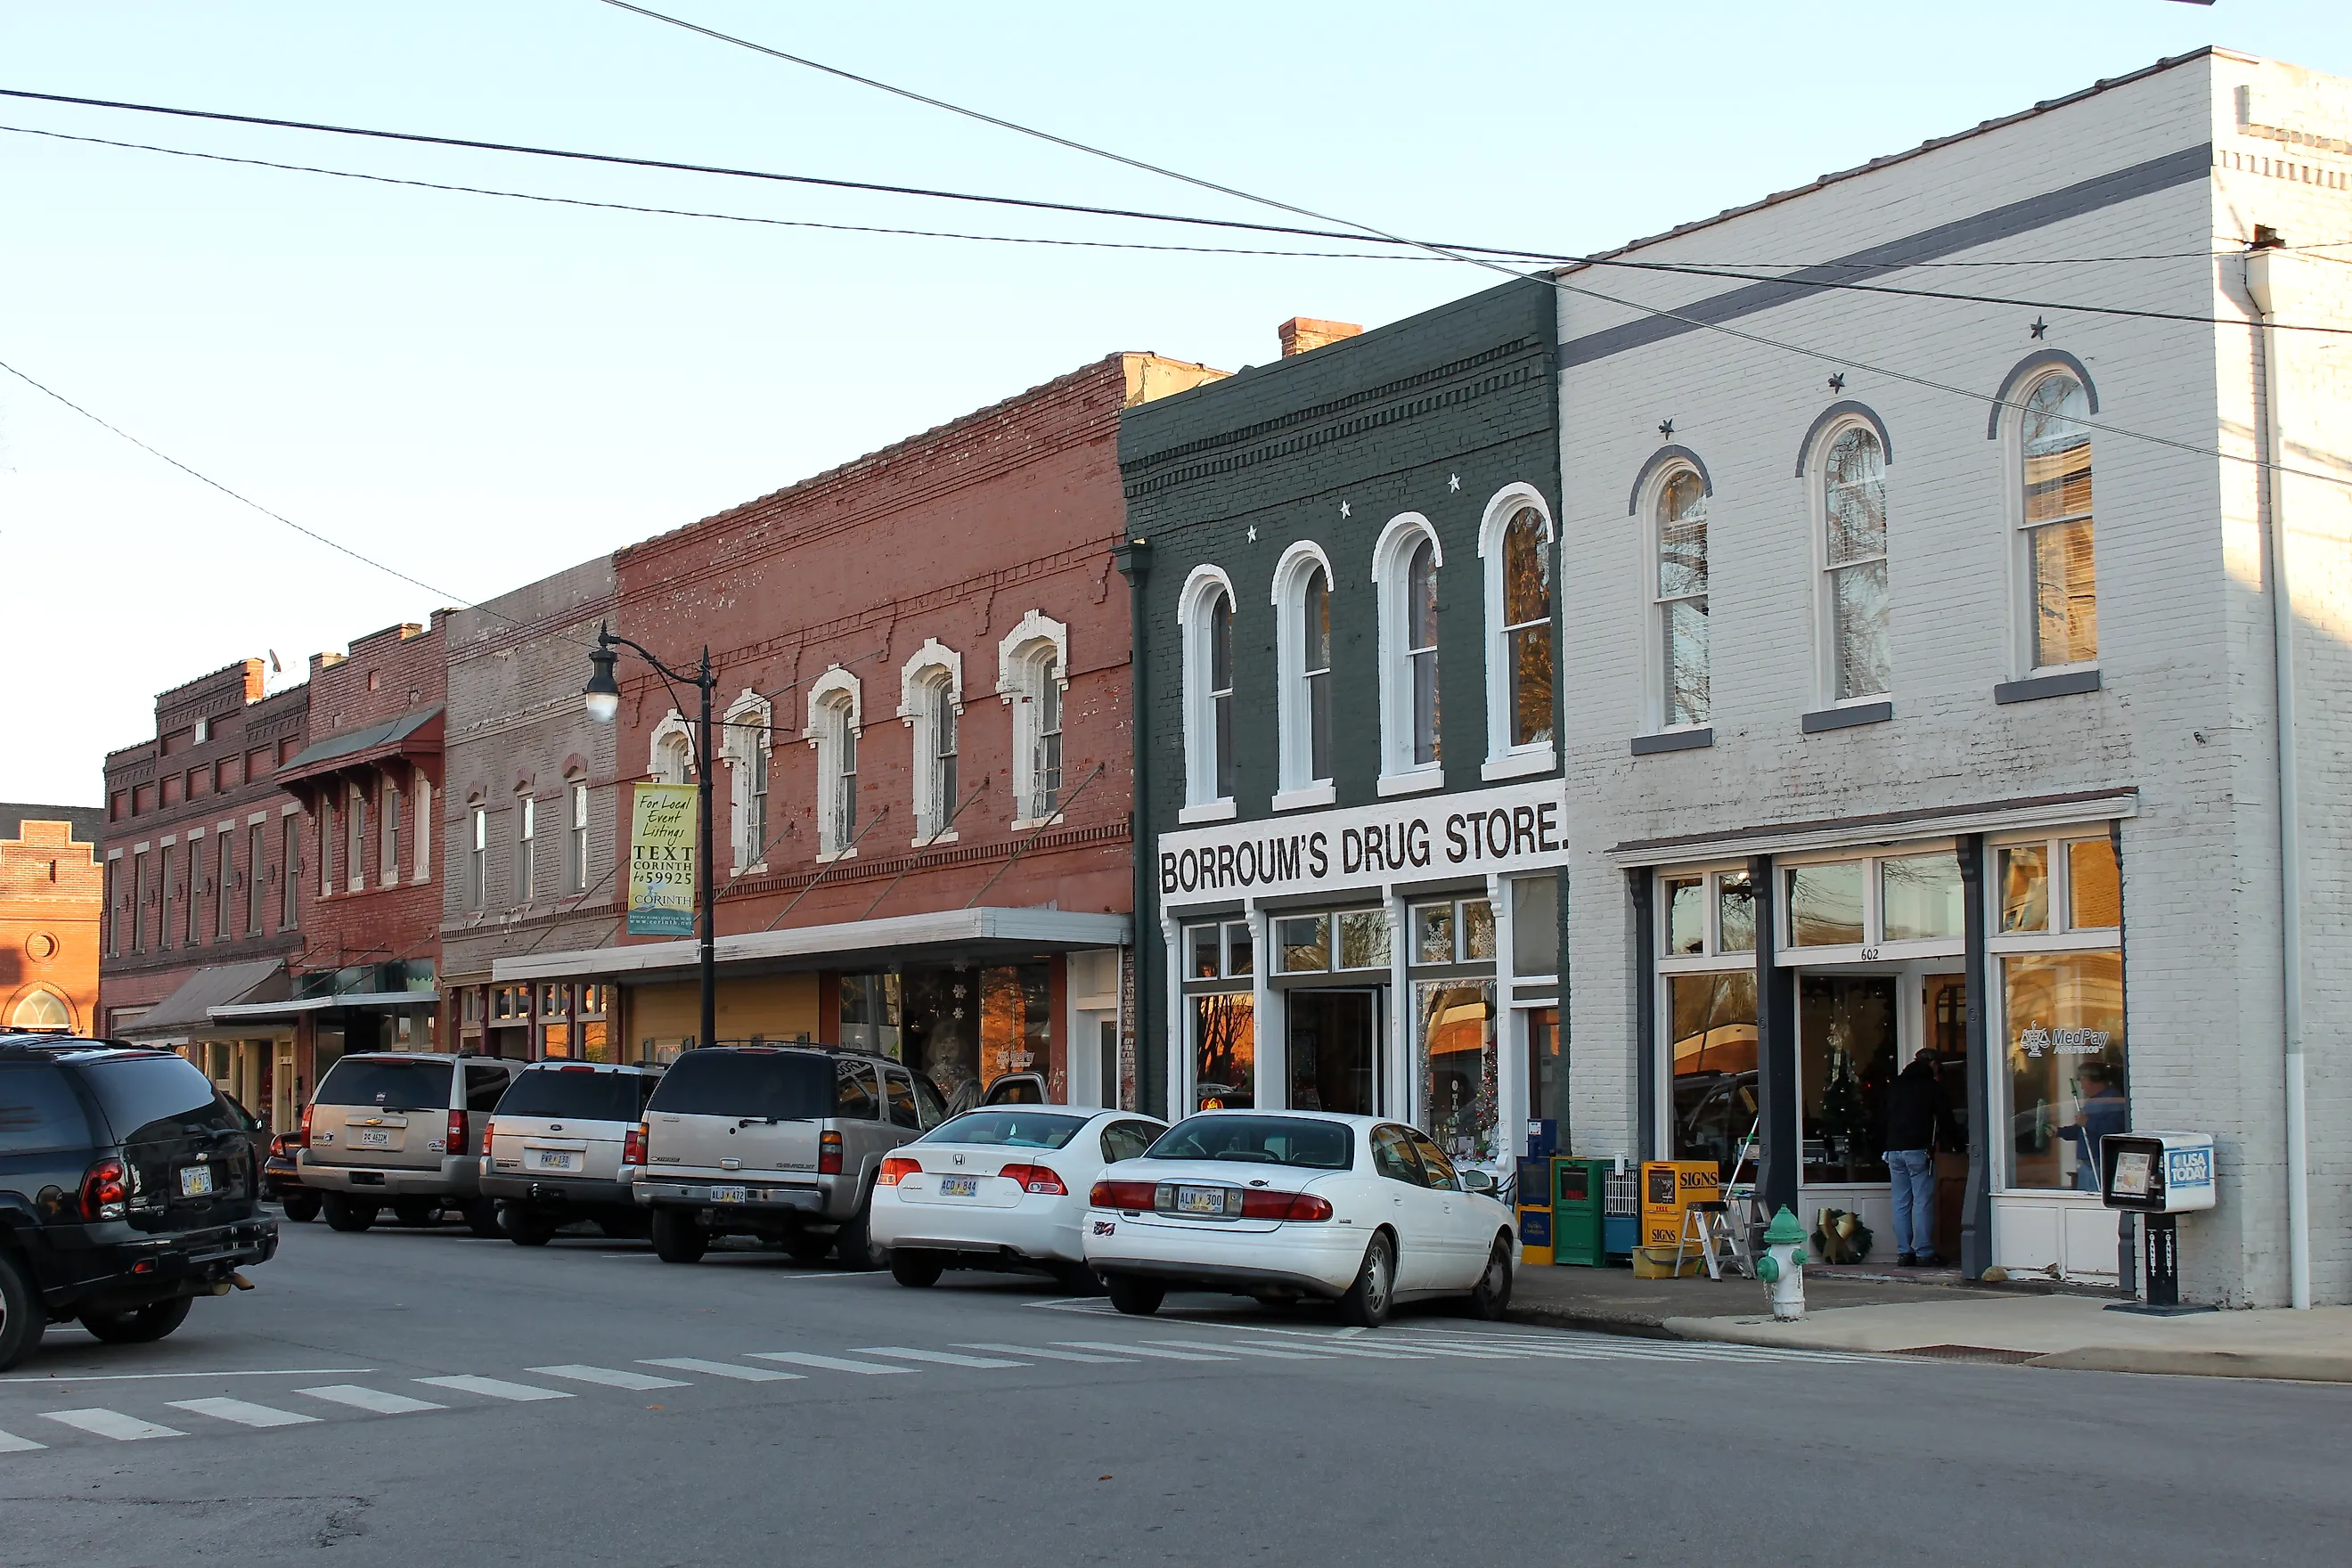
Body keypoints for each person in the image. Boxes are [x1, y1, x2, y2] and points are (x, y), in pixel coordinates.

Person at [1884, 1052, 1956, 1266]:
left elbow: (1883, 1116)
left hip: (1894, 1149)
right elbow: (1945, 1118)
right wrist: (1959, 1144)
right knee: (1922, 1201)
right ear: (1933, 1064)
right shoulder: (1931, 1086)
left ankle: (1904, 1252)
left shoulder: (1896, 1085)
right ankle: (1924, 1251)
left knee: (1900, 1202)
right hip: (1918, 1150)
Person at [2059, 1061, 2128, 1193]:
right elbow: (2082, 1131)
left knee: (2094, 1199)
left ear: (2091, 1080)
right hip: (2087, 1163)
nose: (2082, 1086)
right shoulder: (2094, 1100)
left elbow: (2115, 1131)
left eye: (2082, 1080)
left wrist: (2088, 1122)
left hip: (2099, 1162)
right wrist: (2059, 1132)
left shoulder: (2113, 1100)